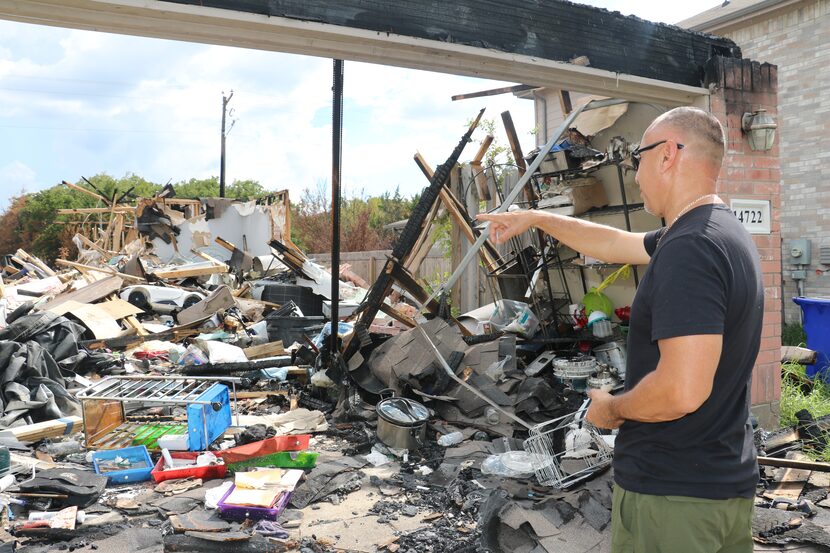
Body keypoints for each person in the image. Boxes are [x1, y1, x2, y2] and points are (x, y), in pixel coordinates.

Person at [478, 106, 762, 553]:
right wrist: (535, 218)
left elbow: (680, 392)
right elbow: (613, 243)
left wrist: (612, 410)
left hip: (673, 498)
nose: (635, 175)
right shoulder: (720, 234)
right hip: (719, 485)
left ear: (668, 154)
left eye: (639, 159)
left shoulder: (690, 248)